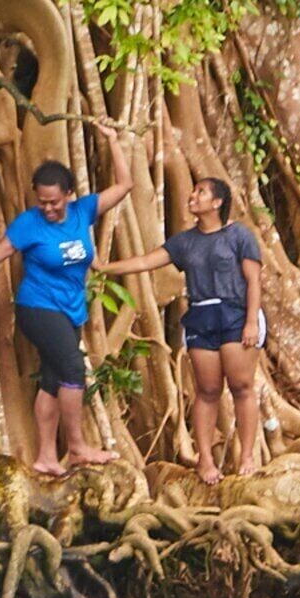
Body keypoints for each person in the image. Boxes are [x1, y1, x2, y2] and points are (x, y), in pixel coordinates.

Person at [0, 138, 135, 478]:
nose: (47, 209)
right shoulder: (28, 224)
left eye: (54, 203)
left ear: (69, 195)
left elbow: (125, 185)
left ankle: (47, 456)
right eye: (42, 202)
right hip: (37, 308)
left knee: (52, 379)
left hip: (71, 309)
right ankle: (75, 447)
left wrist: (112, 140)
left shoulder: (83, 211)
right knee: (74, 371)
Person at [104, 178, 270, 487]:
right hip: (201, 317)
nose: (193, 196)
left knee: (242, 386)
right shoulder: (185, 242)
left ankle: (247, 456)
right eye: (193, 190)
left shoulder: (239, 236)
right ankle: (204, 459)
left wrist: (251, 322)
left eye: (201, 192)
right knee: (207, 391)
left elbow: (254, 280)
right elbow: (145, 261)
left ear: (217, 202)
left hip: (235, 313)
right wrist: (104, 267)